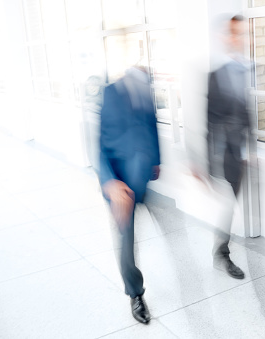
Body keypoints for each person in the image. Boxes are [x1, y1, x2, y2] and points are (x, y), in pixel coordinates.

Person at [98, 65, 160, 324]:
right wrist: (110, 181)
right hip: (121, 185)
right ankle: (135, 294)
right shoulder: (110, 93)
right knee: (126, 239)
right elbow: (97, 143)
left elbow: (151, 125)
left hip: (143, 175)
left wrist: (157, 161)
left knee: (160, 226)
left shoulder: (145, 89)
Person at [192, 15, 251, 279]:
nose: (239, 38)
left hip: (239, 153)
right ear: (224, 37)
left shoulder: (245, 69)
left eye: (242, 33)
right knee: (228, 204)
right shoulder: (215, 76)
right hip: (224, 154)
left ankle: (221, 250)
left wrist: (250, 151)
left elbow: (245, 112)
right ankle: (222, 253)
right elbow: (209, 123)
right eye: (233, 33)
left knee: (232, 203)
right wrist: (206, 168)